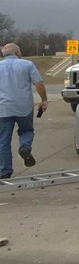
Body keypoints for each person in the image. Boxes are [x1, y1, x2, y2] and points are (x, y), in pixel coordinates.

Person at [0, 43, 48, 179]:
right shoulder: (27, 65)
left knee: (3, 141)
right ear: (17, 53)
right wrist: (44, 100)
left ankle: (4, 171)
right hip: (24, 107)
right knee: (26, 131)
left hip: (3, 108)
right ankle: (25, 147)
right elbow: (39, 83)